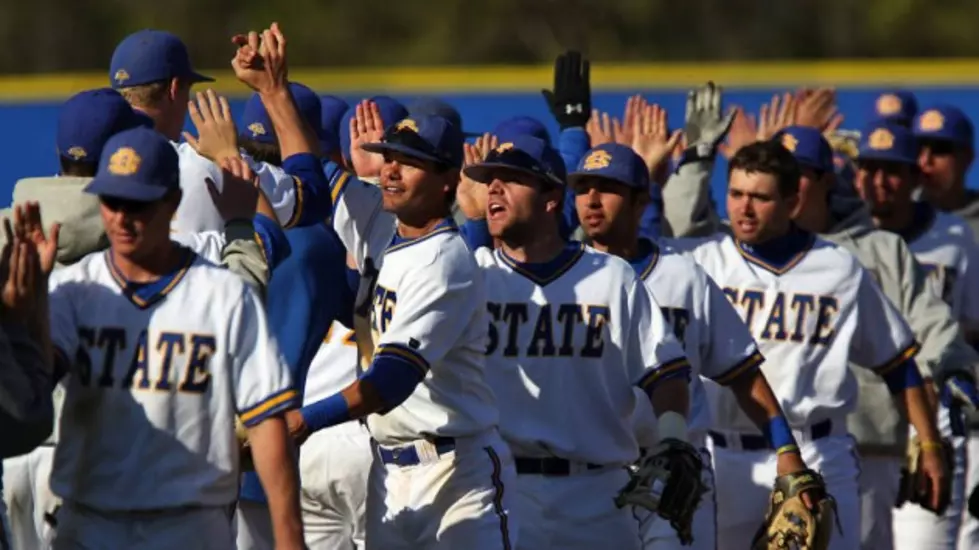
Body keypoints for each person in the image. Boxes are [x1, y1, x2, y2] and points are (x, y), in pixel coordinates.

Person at [1, 87, 278, 550]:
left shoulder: (11, 229)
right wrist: (240, 222)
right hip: (98, 471)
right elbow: (249, 284)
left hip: (11, 454)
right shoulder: (153, 242)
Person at [664, 140, 944, 550]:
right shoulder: (702, 261)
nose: (744, 208)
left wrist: (930, 442)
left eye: (760, 197)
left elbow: (896, 362)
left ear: (793, 200)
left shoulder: (838, 267)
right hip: (724, 457)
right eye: (736, 193)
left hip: (818, 451)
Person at [565, 140, 819, 550]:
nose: (592, 200)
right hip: (593, 473)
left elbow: (741, 373)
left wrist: (787, 451)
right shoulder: (565, 278)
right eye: (582, 188)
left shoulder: (684, 276)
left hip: (677, 472)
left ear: (640, 201)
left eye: (607, 188)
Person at [457, 134, 694, 550]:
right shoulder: (472, 275)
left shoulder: (610, 275)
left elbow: (666, 372)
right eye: (489, 179)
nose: (493, 188)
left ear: (552, 197)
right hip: (500, 489)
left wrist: (673, 437)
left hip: (597, 494)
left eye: (511, 179)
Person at [310, 106, 514, 547]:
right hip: (387, 471)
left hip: (456, 474)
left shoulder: (444, 260)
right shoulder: (392, 240)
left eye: (411, 162)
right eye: (389, 157)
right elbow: (349, 317)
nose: (393, 170)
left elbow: (390, 381)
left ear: (447, 179)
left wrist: (301, 422)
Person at [774, 124, 979, 550]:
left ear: (827, 179)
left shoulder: (879, 252)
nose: (787, 186)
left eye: (800, 174)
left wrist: (957, 369)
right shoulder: (733, 250)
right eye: (778, 174)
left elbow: (931, 323)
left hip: (861, 444)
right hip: (755, 450)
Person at [851, 121, 979, 549]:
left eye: (891, 170)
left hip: (931, 398)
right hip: (865, 412)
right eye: (868, 168)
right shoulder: (843, 242)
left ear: (912, 178)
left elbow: (971, 324)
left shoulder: (955, 235)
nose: (878, 182)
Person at [913, 105, 979, 239]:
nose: (925, 161)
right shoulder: (896, 217)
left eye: (940, 148)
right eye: (917, 148)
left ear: (967, 157)